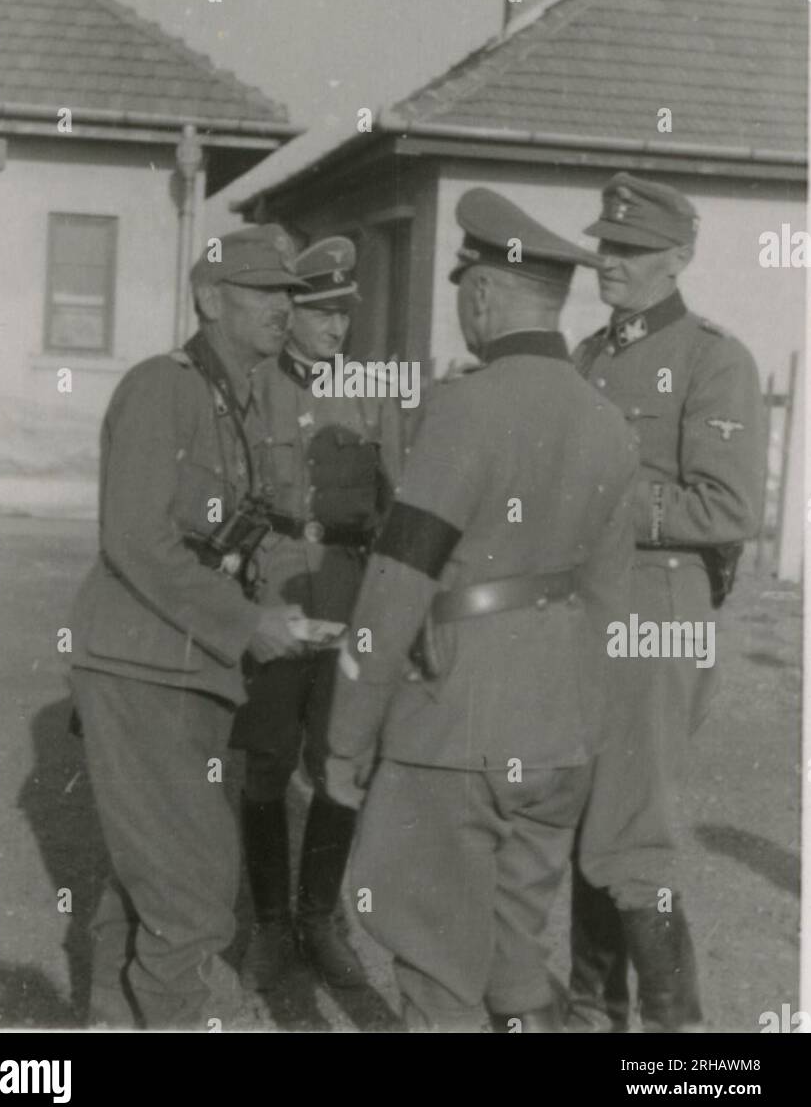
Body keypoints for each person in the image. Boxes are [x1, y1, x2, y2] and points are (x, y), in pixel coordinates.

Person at [324, 187, 639, 1032]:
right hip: (556, 736)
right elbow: (612, 603)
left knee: (432, 958)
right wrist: (585, 730)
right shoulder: (608, 422)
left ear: (480, 294)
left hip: (455, 728)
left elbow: (397, 582)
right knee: (512, 947)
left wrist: (347, 736)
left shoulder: (464, 408)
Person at [69, 224, 310, 1030]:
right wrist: (246, 624)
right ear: (209, 300)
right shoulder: (160, 388)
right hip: (145, 668)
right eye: (263, 292)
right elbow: (135, 539)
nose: (284, 308)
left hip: (188, 669)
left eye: (289, 294)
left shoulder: (240, 398)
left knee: (147, 878)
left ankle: (110, 1018)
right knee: (194, 889)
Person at [568, 172, 764, 1034]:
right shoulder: (586, 355)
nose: (608, 261)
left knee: (631, 829)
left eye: (630, 250)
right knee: (586, 812)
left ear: (677, 260)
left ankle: (678, 1047)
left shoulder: (712, 360)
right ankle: (590, 1013)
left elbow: (727, 510)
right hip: (585, 613)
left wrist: (605, 501)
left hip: (656, 616)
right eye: (605, 244)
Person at [231, 236, 402, 991]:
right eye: (321, 311)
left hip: (345, 591)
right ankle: (269, 923)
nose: (336, 329)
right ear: (288, 307)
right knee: (267, 760)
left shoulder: (367, 393)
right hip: (271, 591)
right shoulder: (250, 388)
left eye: (345, 314)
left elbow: (393, 507)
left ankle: (319, 918)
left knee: (341, 765)